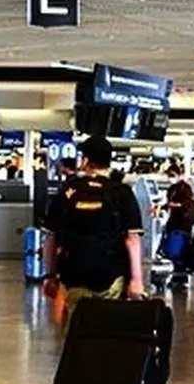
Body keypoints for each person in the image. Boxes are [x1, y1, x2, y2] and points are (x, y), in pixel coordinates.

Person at [42, 136, 144, 318]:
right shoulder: (121, 193)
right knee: (107, 326)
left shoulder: (68, 191)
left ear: (85, 160)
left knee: (76, 324)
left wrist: (50, 276)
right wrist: (137, 280)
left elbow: (51, 237)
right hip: (111, 274)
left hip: (74, 274)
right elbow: (132, 239)